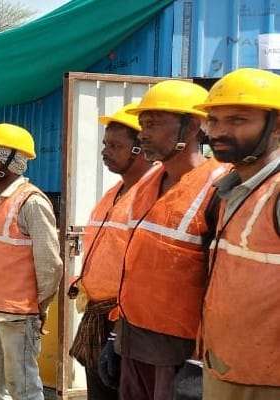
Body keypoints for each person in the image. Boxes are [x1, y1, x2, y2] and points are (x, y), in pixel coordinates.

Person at [111, 80, 226, 400]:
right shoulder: (148, 183)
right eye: (143, 124)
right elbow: (134, 265)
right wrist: (115, 334)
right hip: (133, 339)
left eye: (155, 124)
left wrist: (197, 360)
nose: (143, 133)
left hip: (177, 349)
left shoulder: (218, 189)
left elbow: (220, 285)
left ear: (191, 128)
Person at [198, 67, 280, 399]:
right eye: (214, 121)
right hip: (225, 367)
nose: (219, 132)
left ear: (277, 126)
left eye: (237, 120)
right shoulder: (227, 189)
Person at [67, 103, 154, 400]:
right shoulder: (114, 192)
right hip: (100, 315)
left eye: (115, 145)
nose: (105, 151)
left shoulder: (151, 196)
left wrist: (119, 326)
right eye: (105, 144)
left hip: (124, 321)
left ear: (139, 149)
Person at [0, 123, 63, 400]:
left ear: (13, 160)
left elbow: (50, 266)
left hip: (17, 316)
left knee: (22, 386)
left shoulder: (32, 203)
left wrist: (36, 307)